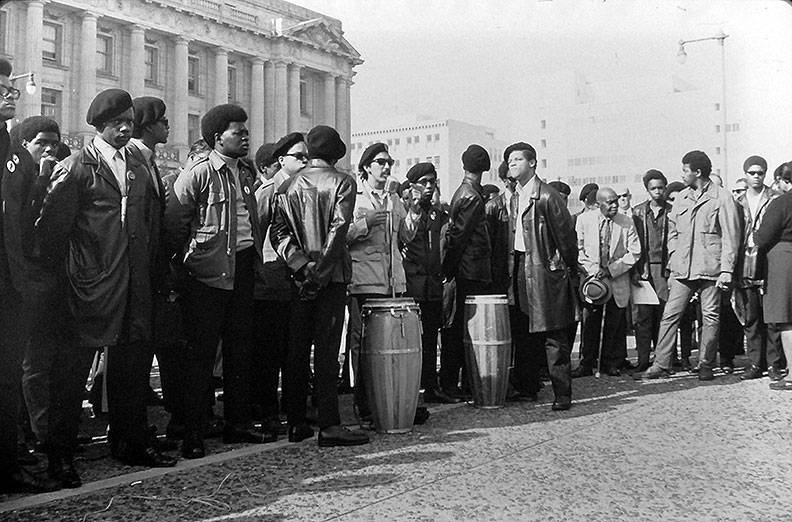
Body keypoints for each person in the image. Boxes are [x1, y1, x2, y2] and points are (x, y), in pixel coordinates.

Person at [37, 89, 177, 487]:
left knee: (131, 369)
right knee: (71, 374)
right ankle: (60, 457)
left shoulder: (141, 163)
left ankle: (130, 442)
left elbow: (153, 222)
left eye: (130, 122)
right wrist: (70, 278)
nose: (125, 128)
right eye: (118, 122)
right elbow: (52, 234)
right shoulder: (78, 166)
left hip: (135, 284)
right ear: (98, 125)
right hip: (88, 287)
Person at [166, 104, 274, 459]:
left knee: (239, 351)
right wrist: (189, 266)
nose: (245, 137)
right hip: (206, 274)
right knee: (200, 357)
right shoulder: (198, 173)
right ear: (217, 139)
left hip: (242, 268)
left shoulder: (245, 172)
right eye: (237, 132)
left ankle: (237, 424)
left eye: (246, 131)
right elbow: (175, 225)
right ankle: (193, 432)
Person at [271, 125, 369, 447]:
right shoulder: (342, 182)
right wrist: (322, 273)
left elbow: (279, 233)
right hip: (331, 278)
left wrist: (302, 267)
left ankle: (296, 422)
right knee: (327, 351)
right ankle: (329, 424)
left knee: (296, 349)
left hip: (298, 279)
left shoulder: (286, 185)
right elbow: (339, 229)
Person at [640, 151, 740, 381]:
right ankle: (661, 364)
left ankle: (706, 364)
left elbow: (731, 236)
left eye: (685, 170)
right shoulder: (682, 198)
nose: (682, 174)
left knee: (710, 316)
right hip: (683, 269)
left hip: (711, 269)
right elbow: (672, 233)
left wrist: (726, 269)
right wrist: (674, 258)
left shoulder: (722, 197)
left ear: (698, 172)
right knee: (670, 315)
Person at [506, 142, 578, 410]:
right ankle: (527, 388)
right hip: (521, 268)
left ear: (533, 163)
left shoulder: (547, 195)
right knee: (524, 329)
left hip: (544, 269)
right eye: (510, 160)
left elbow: (566, 238)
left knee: (553, 333)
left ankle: (563, 393)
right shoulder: (516, 195)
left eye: (518, 159)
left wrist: (560, 267)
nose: (512, 164)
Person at [6, 117, 63, 455]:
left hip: (51, 279)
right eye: (42, 143)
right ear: (25, 144)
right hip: (26, 281)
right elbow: (25, 222)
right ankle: (35, 433)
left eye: (53, 144)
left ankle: (40, 430)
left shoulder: (58, 171)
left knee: (45, 359)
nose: (49, 151)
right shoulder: (22, 173)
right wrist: (42, 177)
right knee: (31, 364)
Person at [345, 142, 407, 422]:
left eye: (389, 163)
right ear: (367, 166)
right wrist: (365, 223)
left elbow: (406, 237)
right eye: (380, 162)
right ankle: (363, 404)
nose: (386, 167)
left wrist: (413, 211)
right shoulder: (355, 197)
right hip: (363, 281)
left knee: (388, 344)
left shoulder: (394, 198)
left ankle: (386, 399)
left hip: (391, 281)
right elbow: (342, 236)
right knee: (362, 343)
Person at [252, 132, 306, 434]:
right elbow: (257, 237)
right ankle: (270, 413)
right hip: (271, 283)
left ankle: (294, 410)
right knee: (270, 355)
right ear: (281, 160)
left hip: (297, 282)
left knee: (295, 351)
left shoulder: (303, 188)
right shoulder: (269, 191)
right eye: (299, 156)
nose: (304, 161)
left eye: (306, 157)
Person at [400, 162, 456, 404]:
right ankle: (412, 388)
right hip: (410, 286)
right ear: (412, 186)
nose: (429, 187)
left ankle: (431, 387)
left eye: (432, 182)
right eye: (424, 182)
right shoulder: (405, 211)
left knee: (431, 338)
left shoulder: (439, 214)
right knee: (411, 341)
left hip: (433, 286)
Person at [440, 144, 493, 399]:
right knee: (461, 329)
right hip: (469, 272)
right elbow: (459, 236)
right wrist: (449, 270)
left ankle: (456, 382)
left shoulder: (465, 192)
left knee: (459, 328)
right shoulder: (472, 196)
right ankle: (454, 383)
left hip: (464, 270)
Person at [572, 187, 640, 377]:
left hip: (617, 279)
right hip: (593, 280)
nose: (614, 205)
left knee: (614, 324)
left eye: (616, 201)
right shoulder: (584, 220)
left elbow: (634, 252)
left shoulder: (626, 222)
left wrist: (611, 270)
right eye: (609, 202)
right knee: (590, 322)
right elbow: (578, 249)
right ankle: (586, 363)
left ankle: (610, 363)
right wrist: (594, 272)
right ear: (598, 204)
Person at [734, 156, 783, 381]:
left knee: (772, 316)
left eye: (760, 172)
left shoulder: (776, 198)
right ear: (745, 173)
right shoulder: (737, 201)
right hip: (744, 265)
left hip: (769, 262)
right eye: (752, 172)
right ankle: (755, 362)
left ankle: (774, 363)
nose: (756, 176)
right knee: (751, 316)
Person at [756, 162, 792, 390]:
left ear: (784, 180)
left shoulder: (781, 203)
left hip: (784, 261)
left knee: (786, 319)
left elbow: (762, 237)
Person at [631, 170, 672, 372]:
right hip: (643, 271)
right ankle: (643, 359)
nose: (657, 192)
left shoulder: (672, 211)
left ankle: (663, 360)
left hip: (665, 270)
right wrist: (636, 270)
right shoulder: (637, 212)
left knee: (665, 315)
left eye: (661, 187)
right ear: (647, 190)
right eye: (653, 188)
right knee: (643, 317)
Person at [486, 161, 514, 295]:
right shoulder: (493, 206)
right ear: (504, 180)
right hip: (500, 270)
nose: (517, 183)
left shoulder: (529, 202)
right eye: (512, 179)